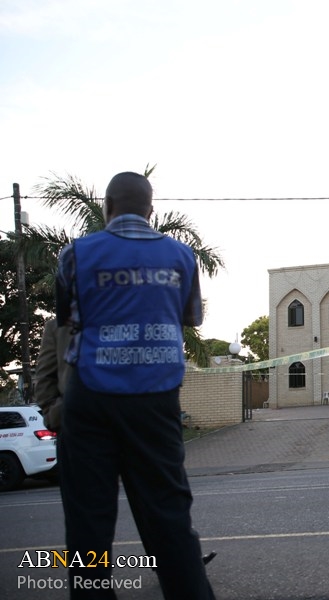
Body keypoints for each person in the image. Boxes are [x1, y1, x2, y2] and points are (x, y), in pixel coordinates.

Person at [55, 171, 215, 599]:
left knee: (88, 523)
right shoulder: (181, 256)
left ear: (107, 207)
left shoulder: (77, 253)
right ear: (151, 211)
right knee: (168, 515)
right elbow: (191, 317)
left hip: (90, 397)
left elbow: (66, 319)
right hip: (155, 398)